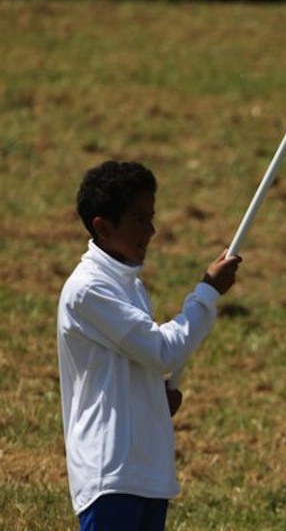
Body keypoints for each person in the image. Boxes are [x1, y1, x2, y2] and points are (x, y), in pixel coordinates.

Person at [57, 160, 241, 531]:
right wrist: (206, 292)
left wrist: (152, 400)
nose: (152, 230)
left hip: (144, 471)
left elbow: (130, 364)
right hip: (112, 474)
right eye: (139, 220)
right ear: (103, 227)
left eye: (151, 216)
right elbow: (162, 351)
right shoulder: (89, 290)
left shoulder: (128, 284)